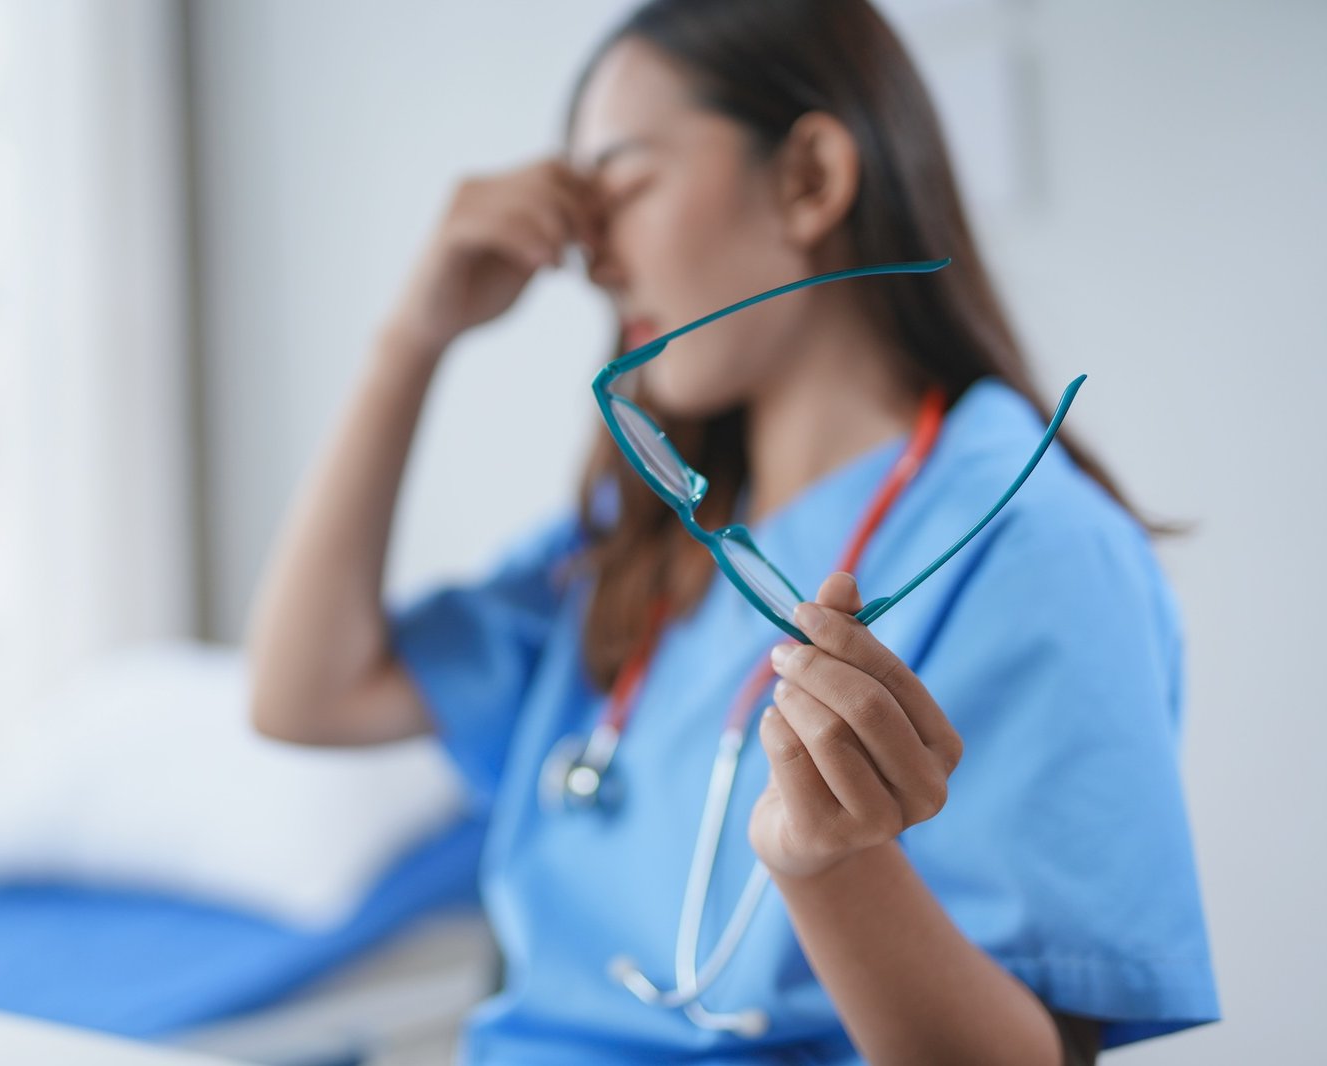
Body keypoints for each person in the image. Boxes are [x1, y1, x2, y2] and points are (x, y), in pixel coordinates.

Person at [245, 1, 1220, 1062]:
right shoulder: (645, 535)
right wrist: (412, 336)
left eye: (619, 184)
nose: (592, 262)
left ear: (809, 179)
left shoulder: (1032, 548)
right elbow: (306, 694)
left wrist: (830, 866)